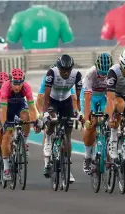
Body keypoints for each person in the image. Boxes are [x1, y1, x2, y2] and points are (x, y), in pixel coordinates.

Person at [43, 54, 82, 183]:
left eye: (67, 71)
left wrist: (79, 112)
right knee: (53, 121)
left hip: (66, 101)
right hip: (53, 101)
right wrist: (45, 113)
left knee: (68, 133)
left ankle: (67, 168)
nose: (65, 73)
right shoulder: (52, 73)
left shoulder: (76, 75)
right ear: (58, 68)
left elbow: (78, 96)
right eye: (63, 71)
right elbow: (46, 96)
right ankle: (48, 138)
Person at [0, 68, 42, 181]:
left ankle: (25, 143)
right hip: (7, 108)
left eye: (20, 83)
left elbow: (32, 108)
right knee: (7, 135)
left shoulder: (26, 87)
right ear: (10, 81)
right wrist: (4, 124)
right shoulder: (5, 87)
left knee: (26, 116)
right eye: (15, 83)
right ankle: (6, 168)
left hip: (19, 105)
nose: (17, 87)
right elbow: (3, 109)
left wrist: (35, 122)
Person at [82, 53, 113, 174]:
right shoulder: (91, 73)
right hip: (91, 97)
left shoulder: (112, 73)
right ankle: (88, 157)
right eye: (102, 73)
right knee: (92, 123)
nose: (104, 76)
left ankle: (109, 149)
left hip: (104, 97)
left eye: (106, 73)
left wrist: (111, 116)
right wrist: (87, 118)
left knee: (110, 118)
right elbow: (87, 99)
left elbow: (112, 97)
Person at [36, 65, 77, 148]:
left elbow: (73, 99)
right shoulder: (47, 79)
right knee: (48, 127)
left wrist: (74, 111)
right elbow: (39, 99)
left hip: (63, 104)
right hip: (50, 104)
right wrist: (42, 113)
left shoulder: (65, 80)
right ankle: (47, 157)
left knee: (67, 130)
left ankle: (66, 157)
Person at [106, 48, 125, 160]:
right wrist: (110, 116)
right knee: (120, 105)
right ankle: (113, 140)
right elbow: (110, 97)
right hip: (116, 94)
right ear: (120, 65)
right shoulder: (113, 72)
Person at [6, 5, 74, 49]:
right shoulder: (60, 16)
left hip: (28, 57)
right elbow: (68, 38)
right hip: (52, 57)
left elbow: (12, 38)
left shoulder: (19, 16)